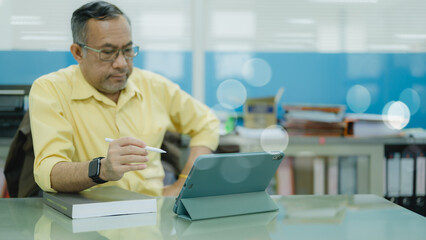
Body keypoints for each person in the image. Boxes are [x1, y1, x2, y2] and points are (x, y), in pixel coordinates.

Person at [29, 1, 219, 196]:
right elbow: (48, 172)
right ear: (78, 53)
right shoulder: (51, 90)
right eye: (107, 52)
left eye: (127, 50)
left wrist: (184, 183)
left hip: (152, 217)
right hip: (87, 218)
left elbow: (207, 123)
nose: (121, 64)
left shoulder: (154, 86)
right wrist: (102, 169)